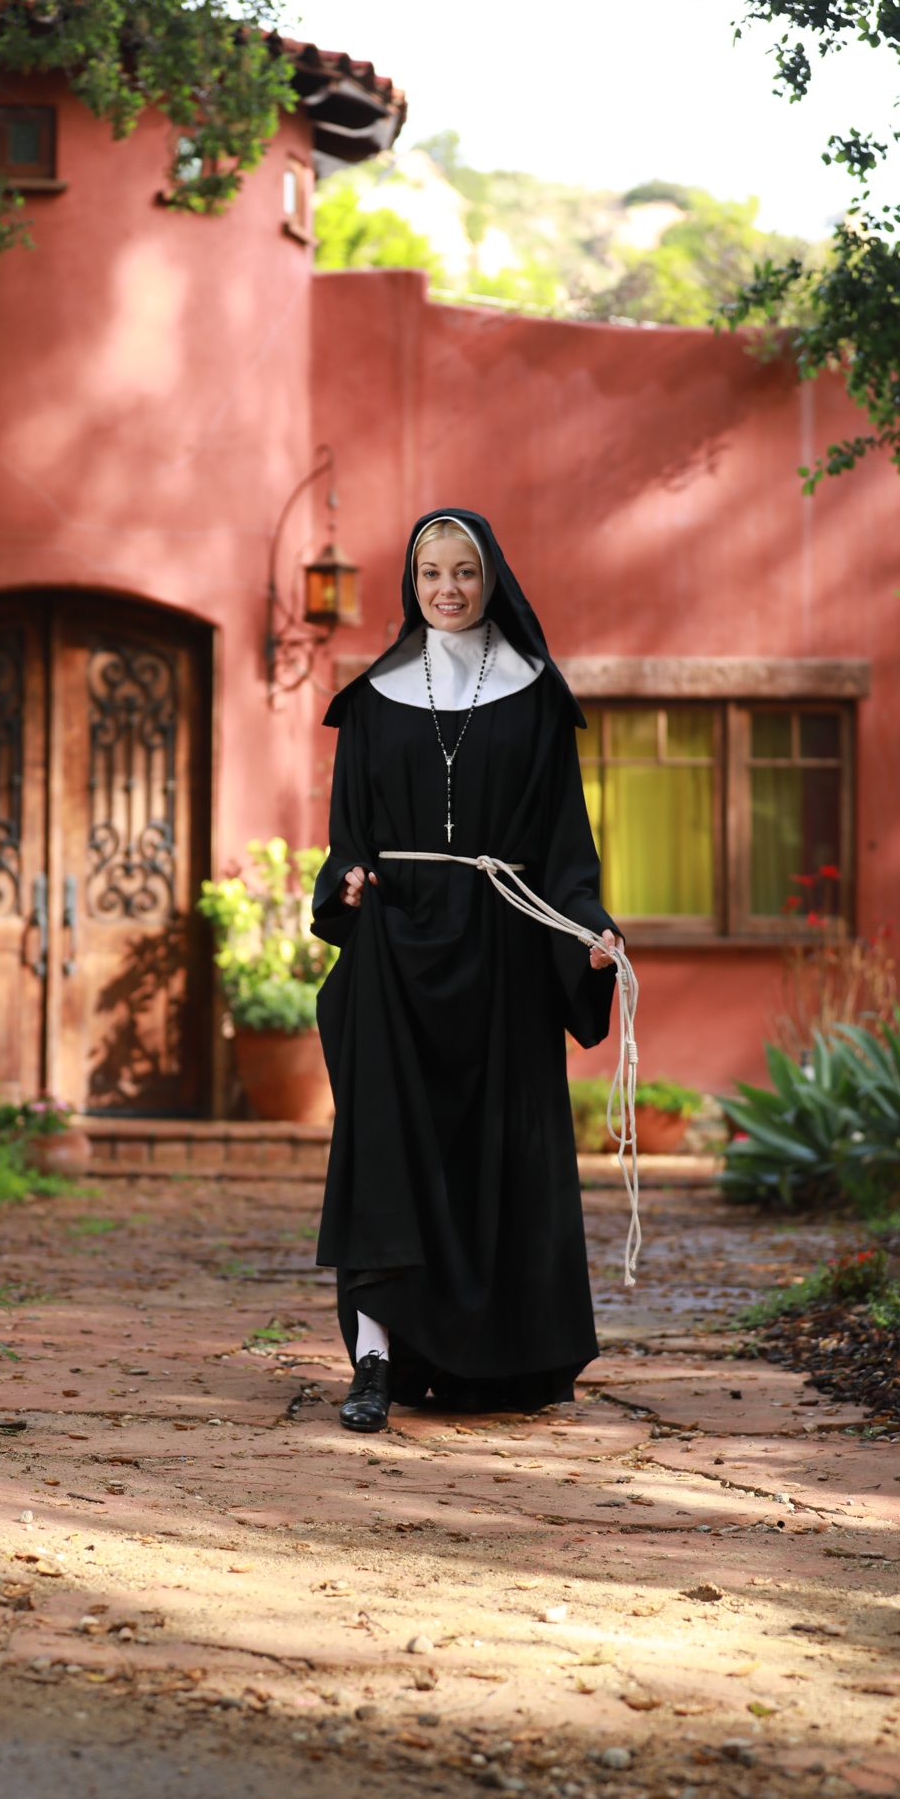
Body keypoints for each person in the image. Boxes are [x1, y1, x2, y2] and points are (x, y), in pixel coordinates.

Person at [311, 510, 624, 1433]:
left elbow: (564, 843)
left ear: (491, 580)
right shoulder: (371, 699)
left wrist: (587, 927)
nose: (446, 589)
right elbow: (346, 837)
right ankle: (376, 1359)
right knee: (385, 1150)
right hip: (395, 956)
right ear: (410, 584)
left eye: (464, 572)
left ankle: (498, 1359)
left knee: (498, 1154)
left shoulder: (536, 696)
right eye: (430, 573)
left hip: (504, 957)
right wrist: (348, 881)